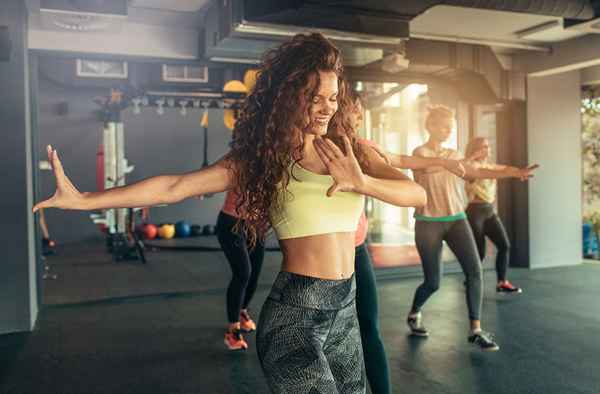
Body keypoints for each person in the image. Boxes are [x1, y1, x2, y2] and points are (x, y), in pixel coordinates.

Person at [34, 33, 427, 393]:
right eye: (314, 97)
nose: (327, 108)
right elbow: (175, 187)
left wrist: (362, 183)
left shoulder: (351, 151)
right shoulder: (263, 160)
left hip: (346, 308)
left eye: (333, 97)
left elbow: (416, 194)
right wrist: (84, 199)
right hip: (296, 315)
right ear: (289, 96)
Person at [396, 105, 536, 351]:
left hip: (457, 220)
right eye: (444, 125)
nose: (449, 130)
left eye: (451, 126)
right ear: (430, 126)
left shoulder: (454, 153)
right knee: (433, 282)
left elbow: (481, 170)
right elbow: (428, 168)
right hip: (429, 223)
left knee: (475, 271)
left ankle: (476, 330)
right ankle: (415, 312)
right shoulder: (421, 152)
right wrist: (459, 161)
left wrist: (515, 172)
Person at [464, 137, 536, 294]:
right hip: (474, 212)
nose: (487, 149)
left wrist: (519, 172)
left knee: (504, 245)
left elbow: (504, 169)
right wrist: (472, 157)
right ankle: (470, 279)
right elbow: (489, 173)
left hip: (489, 211)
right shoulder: (470, 167)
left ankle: (502, 282)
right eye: (483, 147)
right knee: (479, 253)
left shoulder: (491, 165)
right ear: (475, 149)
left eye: (488, 146)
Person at [216, 190, 265, 350]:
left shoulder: (275, 166)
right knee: (243, 273)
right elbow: (216, 179)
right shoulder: (238, 164)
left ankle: (242, 311)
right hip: (231, 223)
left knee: (254, 274)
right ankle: (233, 330)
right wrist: (202, 189)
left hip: (256, 225)